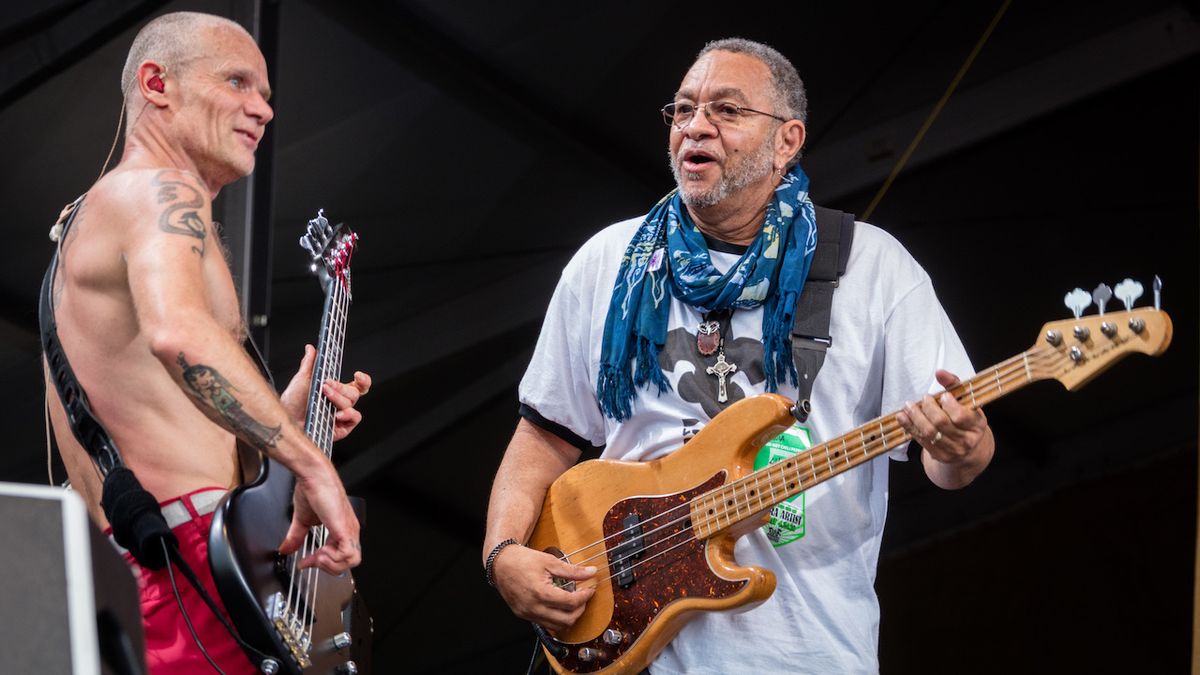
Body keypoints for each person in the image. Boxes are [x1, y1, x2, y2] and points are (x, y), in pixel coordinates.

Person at [483, 38, 995, 674]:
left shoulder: (872, 267)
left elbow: (952, 463)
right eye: (684, 109)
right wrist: (502, 552)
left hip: (808, 652)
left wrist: (960, 447)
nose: (696, 125)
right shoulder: (609, 263)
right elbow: (545, 435)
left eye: (726, 110)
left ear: (787, 141)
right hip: (623, 645)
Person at [43, 12, 370, 674]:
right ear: (157, 83)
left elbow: (158, 400)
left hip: (163, 565)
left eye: (268, 95)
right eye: (238, 83)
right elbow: (178, 334)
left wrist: (283, 412)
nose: (262, 110)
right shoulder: (156, 190)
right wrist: (310, 463)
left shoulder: (119, 208)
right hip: (186, 560)